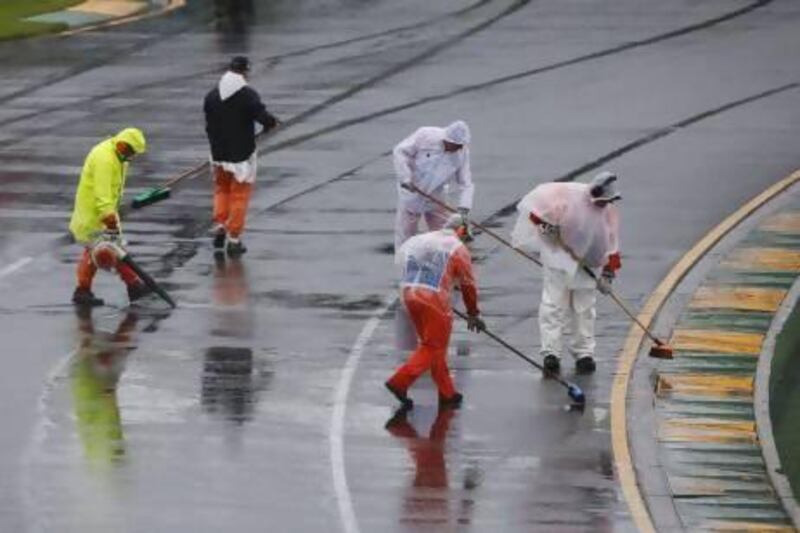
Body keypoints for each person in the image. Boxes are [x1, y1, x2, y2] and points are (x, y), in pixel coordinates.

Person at [511, 171, 622, 374]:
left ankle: (584, 354)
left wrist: (608, 273)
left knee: (584, 309)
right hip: (558, 256)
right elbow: (535, 213)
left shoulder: (608, 212)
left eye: (608, 201)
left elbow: (613, 245)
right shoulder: (566, 197)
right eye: (601, 200)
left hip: (587, 263)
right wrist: (546, 227)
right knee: (553, 306)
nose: (603, 204)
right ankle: (551, 353)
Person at [385, 215, 485, 409]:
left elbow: (402, 263)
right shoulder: (457, 248)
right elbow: (468, 285)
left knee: (433, 346)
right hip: (434, 301)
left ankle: (447, 392)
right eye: (466, 238)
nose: (467, 244)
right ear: (461, 231)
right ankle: (400, 381)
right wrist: (474, 314)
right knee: (433, 346)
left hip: (410, 294)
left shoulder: (422, 240)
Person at [204, 55, 280, 256]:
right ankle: (234, 238)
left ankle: (221, 225)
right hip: (241, 155)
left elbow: (209, 124)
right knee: (239, 195)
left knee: (222, 190)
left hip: (218, 153)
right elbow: (263, 116)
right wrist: (271, 123)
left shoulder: (212, 95)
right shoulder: (247, 95)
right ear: (245, 72)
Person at [69, 128, 149, 307]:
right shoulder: (105, 159)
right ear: (122, 144)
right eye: (130, 151)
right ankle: (134, 286)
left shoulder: (119, 157)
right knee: (112, 250)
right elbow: (102, 193)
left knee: (99, 251)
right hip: (93, 216)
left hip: (101, 214)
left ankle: (83, 291)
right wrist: (110, 219)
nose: (132, 156)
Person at [393, 120, 474, 253]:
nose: (457, 149)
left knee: (443, 237)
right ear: (446, 140)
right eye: (454, 145)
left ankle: (441, 265)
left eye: (460, 146)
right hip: (412, 192)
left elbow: (466, 184)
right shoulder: (425, 135)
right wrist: (405, 177)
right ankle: (405, 264)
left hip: (436, 196)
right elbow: (400, 151)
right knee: (405, 236)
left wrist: (464, 210)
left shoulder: (462, 153)